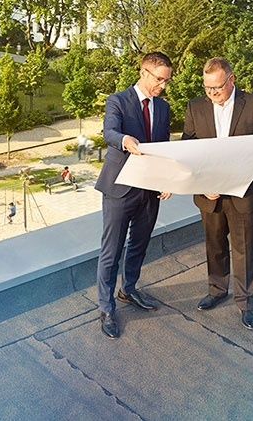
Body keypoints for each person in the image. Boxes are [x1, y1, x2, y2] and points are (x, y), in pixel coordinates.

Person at [182, 57, 253, 331]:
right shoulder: (194, 107)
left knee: (245, 249)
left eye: (217, 87)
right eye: (207, 88)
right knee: (214, 245)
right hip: (210, 193)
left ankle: (247, 303)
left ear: (231, 80)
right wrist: (202, 185)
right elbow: (188, 148)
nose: (212, 93)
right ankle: (217, 290)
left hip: (244, 192)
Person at [94, 52, 174, 339]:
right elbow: (109, 132)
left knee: (139, 244)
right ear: (144, 72)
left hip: (150, 190)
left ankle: (128, 290)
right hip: (119, 188)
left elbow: (163, 147)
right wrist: (124, 140)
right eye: (159, 79)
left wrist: (166, 179)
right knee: (111, 251)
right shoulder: (117, 100)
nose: (163, 86)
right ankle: (106, 307)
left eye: (167, 81)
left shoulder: (163, 108)